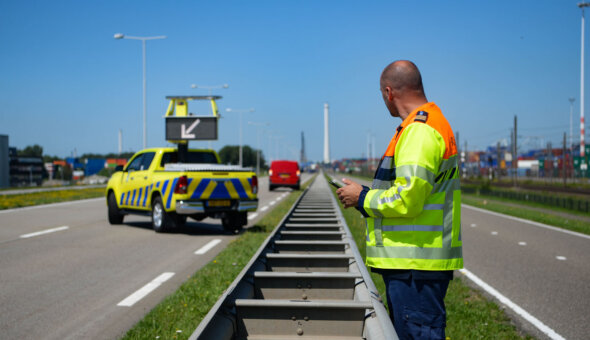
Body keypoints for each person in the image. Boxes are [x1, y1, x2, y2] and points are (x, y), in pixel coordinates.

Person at [336, 60, 463, 340]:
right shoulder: (426, 125)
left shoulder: (419, 132)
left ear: (389, 92)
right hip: (415, 266)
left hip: (415, 266)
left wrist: (362, 198)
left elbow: (408, 198)